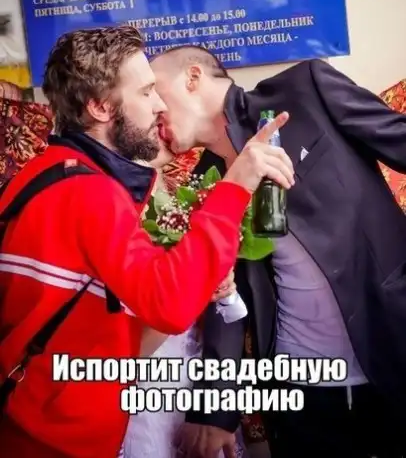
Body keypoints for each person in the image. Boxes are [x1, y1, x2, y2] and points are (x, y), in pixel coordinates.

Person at [0, 25, 293, 458]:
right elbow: (169, 306)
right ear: (101, 106)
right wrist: (235, 186)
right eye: (145, 92)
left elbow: (109, 334)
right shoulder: (93, 195)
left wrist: (197, 281)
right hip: (55, 441)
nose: (159, 105)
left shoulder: (43, 171)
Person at [150, 45, 406, 458]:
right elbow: (224, 304)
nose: (152, 108)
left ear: (192, 78)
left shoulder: (305, 88)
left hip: (392, 345)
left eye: (155, 90)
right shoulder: (205, 185)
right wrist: (213, 411)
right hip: (298, 389)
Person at [124, 144, 249, 458]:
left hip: (195, 374)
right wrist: (192, 288)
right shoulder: (107, 207)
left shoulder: (208, 171)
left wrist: (216, 407)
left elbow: (230, 310)